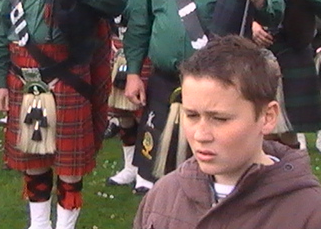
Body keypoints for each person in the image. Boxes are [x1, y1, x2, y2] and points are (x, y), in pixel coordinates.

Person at [123, 0, 285, 194]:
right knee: (162, 182)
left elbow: (277, 12)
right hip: (165, 84)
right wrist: (132, 72)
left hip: (222, 92)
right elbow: (141, 21)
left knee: (219, 184)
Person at [0, 0, 126, 229]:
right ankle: (39, 225)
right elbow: (0, 32)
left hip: (68, 77)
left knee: (68, 164)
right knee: (33, 159)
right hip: (23, 77)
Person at [134, 35, 321, 229]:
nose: (200, 135)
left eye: (220, 119)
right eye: (191, 115)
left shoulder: (309, 213)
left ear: (267, 117)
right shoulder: (162, 198)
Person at [252, 0, 321, 148]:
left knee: (288, 129)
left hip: (294, 53)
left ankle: (291, 178)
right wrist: (252, 24)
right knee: (261, 126)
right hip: (259, 56)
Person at [103, 0, 150, 187]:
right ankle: (129, 166)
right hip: (117, 50)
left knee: (142, 112)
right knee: (121, 112)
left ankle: (146, 170)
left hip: (141, 52)